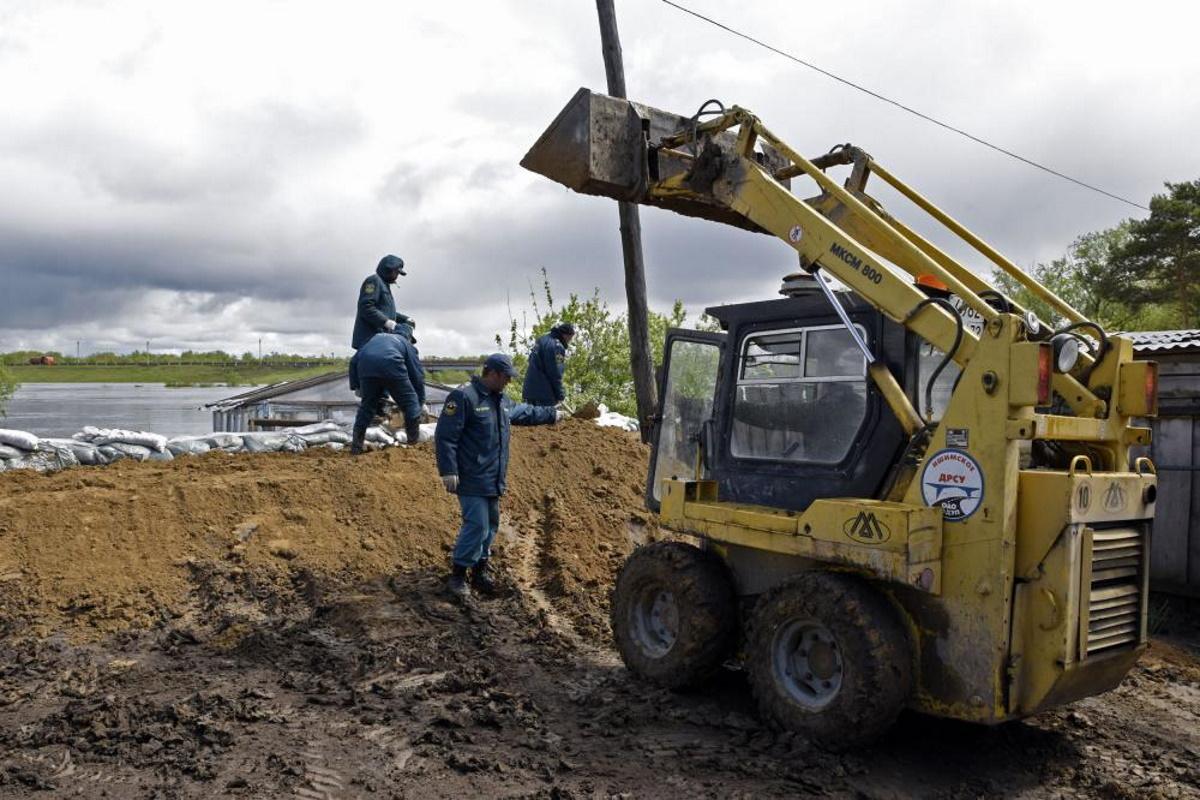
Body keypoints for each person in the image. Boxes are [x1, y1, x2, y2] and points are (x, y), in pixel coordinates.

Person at [436, 353, 564, 599]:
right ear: (492, 373)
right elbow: (446, 436)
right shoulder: (464, 397)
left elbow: (525, 413)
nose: (508, 382)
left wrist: (553, 414)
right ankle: (458, 576)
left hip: (494, 477)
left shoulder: (502, 401)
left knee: (491, 525)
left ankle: (480, 570)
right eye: (506, 377)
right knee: (477, 525)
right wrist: (448, 470)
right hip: (471, 476)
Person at [351, 324, 425, 455]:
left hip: (366, 367)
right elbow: (417, 375)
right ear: (408, 337)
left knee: (367, 407)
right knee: (410, 403)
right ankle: (413, 447)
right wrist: (420, 400)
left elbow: (353, 361)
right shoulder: (406, 344)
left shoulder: (374, 338)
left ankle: (356, 448)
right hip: (392, 364)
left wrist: (356, 386)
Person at [349, 254, 415, 396]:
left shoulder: (384, 285)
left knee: (384, 374)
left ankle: (382, 398)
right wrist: (388, 323)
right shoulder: (373, 282)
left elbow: (386, 311)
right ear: (388, 269)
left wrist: (405, 319)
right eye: (396, 272)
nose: (397, 276)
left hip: (380, 340)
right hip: (370, 338)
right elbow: (366, 307)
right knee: (375, 380)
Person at [521, 322, 574, 406]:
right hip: (544, 395)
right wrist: (560, 395)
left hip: (529, 392)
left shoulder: (541, 340)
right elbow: (555, 373)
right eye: (570, 338)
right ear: (566, 335)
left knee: (532, 417)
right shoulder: (557, 347)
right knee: (546, 419)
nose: (569, 341)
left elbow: (530, 359)